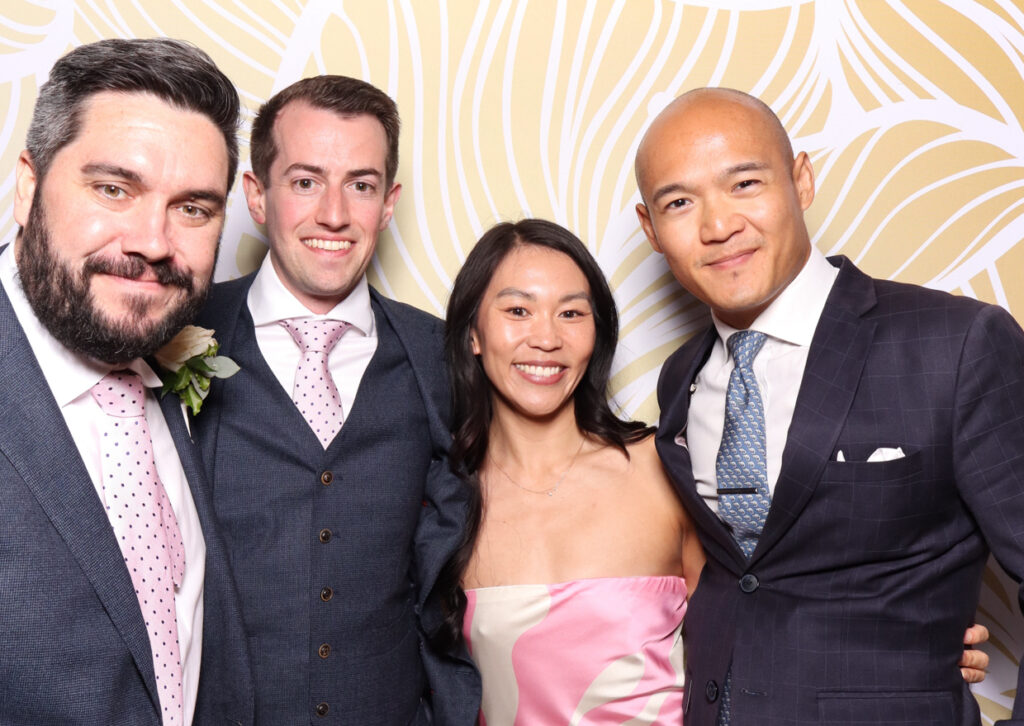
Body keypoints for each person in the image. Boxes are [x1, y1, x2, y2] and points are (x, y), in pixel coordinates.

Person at [634, 86, 1021, 725]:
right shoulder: (682, 380)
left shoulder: (955, 343)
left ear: (801, 180)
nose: (718, 225)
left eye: (745, 184)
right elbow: (744, 581)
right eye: (679, 202)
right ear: (651, 228)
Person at [191, 75, 480, 725]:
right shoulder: (176, 335)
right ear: (257, 196)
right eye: (305, 181)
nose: (334, 214)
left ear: (388, 203)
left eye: (361, 184)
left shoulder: (441, 356)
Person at [0, 38, 253, 724]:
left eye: (194, 208)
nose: (152, 241)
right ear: (28, 185)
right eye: (114, 189)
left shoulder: (163, 369)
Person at [440, 218, 705, 724]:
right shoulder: (442, 498)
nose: (546, 338)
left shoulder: (664, 468)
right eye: (518, 310)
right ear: (473, 333)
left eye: (571, 313)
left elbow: (734, 653)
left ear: (596, 332)